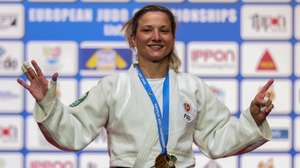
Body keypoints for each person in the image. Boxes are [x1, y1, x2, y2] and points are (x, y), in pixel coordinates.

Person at [17, 5, 274, 168]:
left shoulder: (192, 87)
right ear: (133, 39)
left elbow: (217, 140)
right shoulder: (112, 86)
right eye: (147, 30)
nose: (156, 37)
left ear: (172, 38)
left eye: (164, 30)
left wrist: (252, 118)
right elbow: (75, 132)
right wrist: (47, 102)